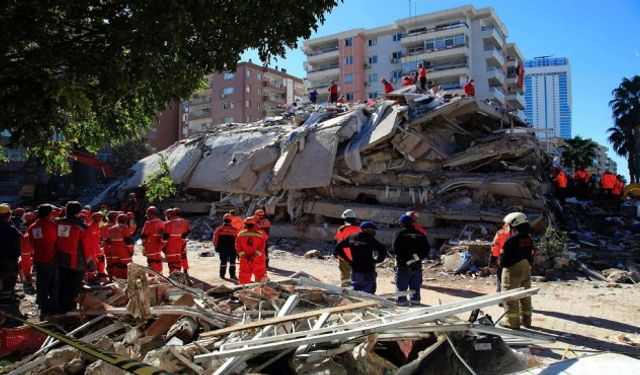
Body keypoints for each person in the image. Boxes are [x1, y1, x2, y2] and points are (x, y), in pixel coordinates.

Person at [55, 201, 95, 313]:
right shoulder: (83, 227)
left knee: (61, 285)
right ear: (79, 212)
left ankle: (59, 307)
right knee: (73, 288)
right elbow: (87, 250)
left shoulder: (56, 223)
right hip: (76, 263)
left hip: (58, 261)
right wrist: (92, 267)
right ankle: (69, 309)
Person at [499, 212, 535, 329]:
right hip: (526, 268)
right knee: (525, 295)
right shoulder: (528, 238)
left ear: (515, 224)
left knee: (510, 297)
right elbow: (531, 254)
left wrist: (499, 266)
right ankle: (527, 321)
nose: (507, 227)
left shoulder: (511, 241)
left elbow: (503, 261)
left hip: (512, 271)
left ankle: (513, 323)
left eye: (509, 225)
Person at [334, 221, 387, 294]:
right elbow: (382, 251)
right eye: (373, 230)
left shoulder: (352, 237)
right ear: (367, 229)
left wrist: (348, 259)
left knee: (356, 292)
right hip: (368, 270)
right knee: (368, 293)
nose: (374, 232)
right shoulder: (372, 241)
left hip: (356, 270)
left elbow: (337, 248)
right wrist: (375, 261)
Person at [28, 204, 59, 317]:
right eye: (52, 213)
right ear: (48, 214)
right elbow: (58, 242)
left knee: (41, 284)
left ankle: (42, 305)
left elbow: (31, 242)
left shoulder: (32, 227)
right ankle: (53, 307)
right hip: (51, 259)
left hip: (39, 260)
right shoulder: (52, 226)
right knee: (54, 284)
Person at [392, 215, 429, 305]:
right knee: (415, 287)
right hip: (416, 265)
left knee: (401, 287)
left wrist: (406, 260)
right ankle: (415, 303)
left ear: (402, 223)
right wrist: (416, 258)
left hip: (403, 265)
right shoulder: (420, 234)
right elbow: (426, 249)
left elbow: (395, 249)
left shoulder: (399, 233)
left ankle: (401, 303)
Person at [235, 217, 267, 284]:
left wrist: (245, 256)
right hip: (258, 259)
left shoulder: (240, 234)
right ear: (254, 224)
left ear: (245, 225)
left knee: (244, 278)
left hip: (245, 260)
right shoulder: (260, 235)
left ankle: (244, 292)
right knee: (261, 278)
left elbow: (238, 247)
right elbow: (262, 247)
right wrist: (254, 255)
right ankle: (262, 291)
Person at [0, 204, 21, 304]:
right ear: (8, 215)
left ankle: (7, 294)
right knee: (10, 277)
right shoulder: (10, 228)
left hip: (3, 257)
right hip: (8, 259)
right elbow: (19, 236)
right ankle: (6, 299)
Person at [334, 209, 361, 287]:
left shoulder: (342, 229)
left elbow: (338, 242)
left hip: (344, 256)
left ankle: (345, 291)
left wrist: (337, 253)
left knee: (345, 274)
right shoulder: (358, 229)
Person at [106, 214, 134, 279]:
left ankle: (118, 283)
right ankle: (126, 283)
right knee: (127, 267)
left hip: (114, 252)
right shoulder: (125, 228)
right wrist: (131, 251)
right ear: (126, 220)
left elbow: (108, 241)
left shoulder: (111, 228)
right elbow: (128, 242)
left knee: (116, 267)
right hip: (124, 252)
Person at [162, 209, 189, 274]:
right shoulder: (183, 222)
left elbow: (165, 237)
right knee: (178, 263)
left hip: (171, 247)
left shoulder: (167, 223)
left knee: (172, 264)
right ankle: (179, 277)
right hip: (179, 246)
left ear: (168, 215)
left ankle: (173, 280)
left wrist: (163, 247)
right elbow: (184, 235)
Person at [213, 214, 239, 279]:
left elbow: (215, 239)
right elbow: (237, 240)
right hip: (232, 248)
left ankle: (222, 275)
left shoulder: (219, 229)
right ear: (231, 220)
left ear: (223, 220)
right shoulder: (235, 230)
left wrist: (216, 246)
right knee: (232, 262)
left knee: (223, 261)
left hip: (222, 248)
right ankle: (232, 275)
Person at [140, 206, 165, 274]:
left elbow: (144, 235)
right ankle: (160, 275)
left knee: (151, 261)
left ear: (149, 214)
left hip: (150, 245)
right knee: (158, 260)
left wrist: (143, 245)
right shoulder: (161, 222)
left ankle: (152, 278)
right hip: (159, 246)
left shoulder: (148, 223)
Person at [490, 221, 511, 292]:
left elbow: (495, 246)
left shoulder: (500, 233)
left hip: (502, 257)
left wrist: (494, 258)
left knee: (500, 275)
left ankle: (500, 292)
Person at [20, 212, 37, 294]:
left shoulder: (22, 225)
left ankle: (28, 279)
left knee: (26, 261)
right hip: (34, 242)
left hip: (25, 243)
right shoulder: (36, 225)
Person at [102, 211, 118, 278]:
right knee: (117, 265)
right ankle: (116, 278)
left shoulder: (103, 226)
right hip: (115, 249)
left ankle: (111, 277)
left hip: (106, 248)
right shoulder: (117, 227)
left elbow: (104, 238)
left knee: (109, 264)